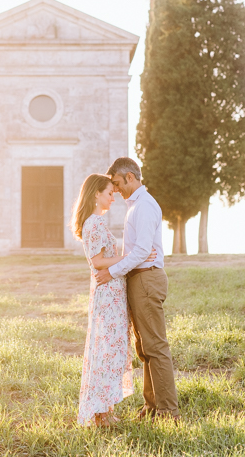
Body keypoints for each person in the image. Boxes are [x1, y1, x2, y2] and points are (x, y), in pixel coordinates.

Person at [94, 157, 180, 422]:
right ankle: (152, 405)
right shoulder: (135, 206)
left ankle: (168, 411)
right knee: (144, 349)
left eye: (118, 183)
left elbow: (143, 251)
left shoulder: (143, 206)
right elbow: (138, 251)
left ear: (130, 177)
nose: (116, 190)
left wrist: (111, 272)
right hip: (138, 279)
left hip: (146, 279)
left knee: (155, 346)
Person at [72, 173, 156, 427]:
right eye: (110, 193)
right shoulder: (94, 223)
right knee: (106, 352)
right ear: (96, 194)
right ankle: (100, 413)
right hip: (107, 294)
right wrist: (132, 256)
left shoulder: (95, 222)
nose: (113, 198)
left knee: (109, 352)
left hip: (110, 293)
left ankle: (104, 409)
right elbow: (97, 262)